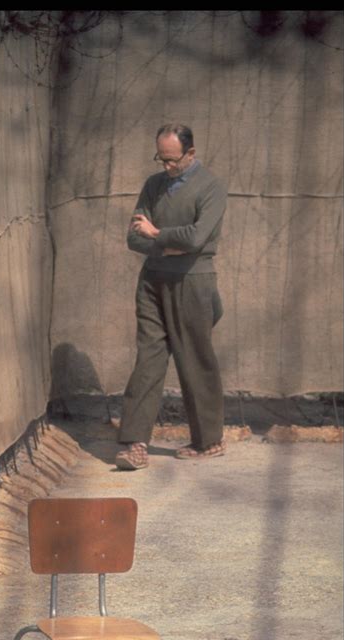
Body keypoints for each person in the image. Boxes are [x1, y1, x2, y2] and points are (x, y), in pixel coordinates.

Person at [115, 123, 227, 470]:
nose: (165, 167)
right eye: (160, 159)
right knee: (148, 359)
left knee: (194, 359)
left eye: (172, 161)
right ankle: (134, 444)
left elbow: (197, 238)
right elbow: (134, 239)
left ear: (190, 154)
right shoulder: (153, 186)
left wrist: (158, 234)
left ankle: (208, 441)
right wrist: (170, 247)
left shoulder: (211, 187)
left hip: (192, 283)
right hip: (153, 280)